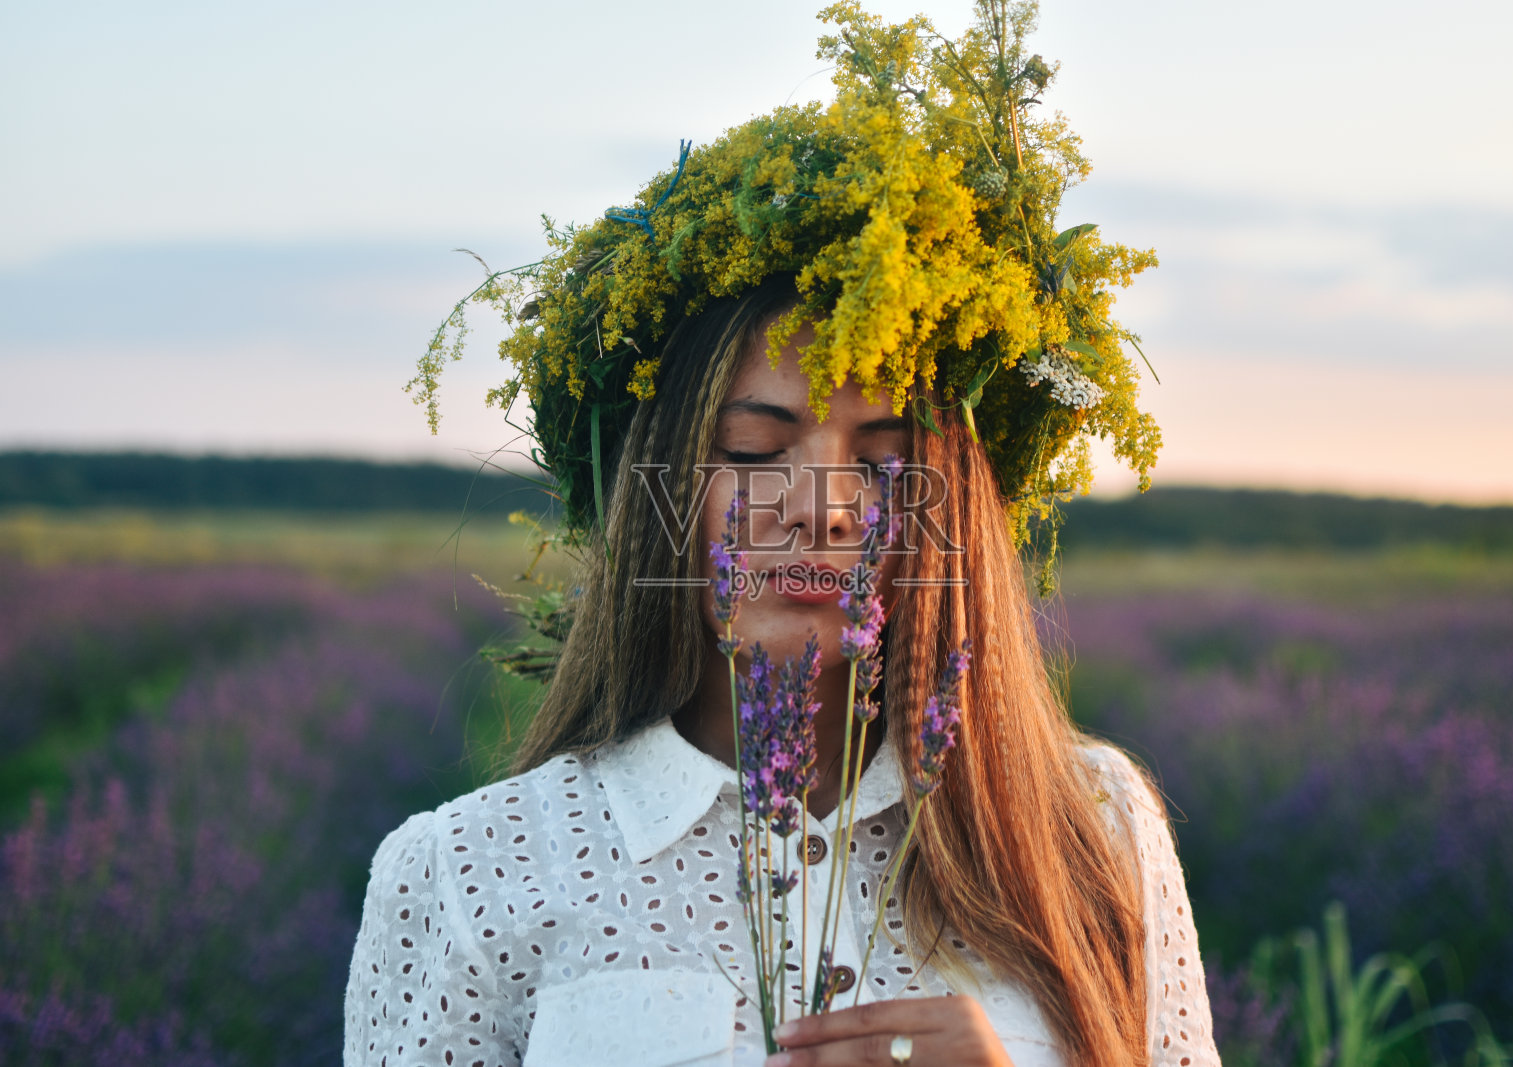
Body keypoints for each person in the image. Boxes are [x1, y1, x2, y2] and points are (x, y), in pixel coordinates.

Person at [349, 5, 1218, 1065]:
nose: (823, 503)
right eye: (755, 452)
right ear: (663, 492)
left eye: (886, 454)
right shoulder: (472, 870)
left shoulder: (1091, 829)